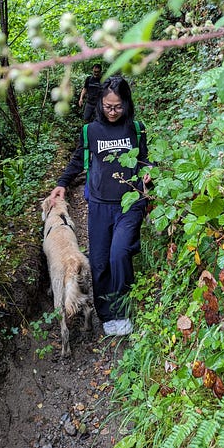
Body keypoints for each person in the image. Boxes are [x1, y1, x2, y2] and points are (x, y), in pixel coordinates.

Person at [49, 76, 152, 336]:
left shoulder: (136, 129)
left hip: (130, 202)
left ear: (126, 103)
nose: (113, 111)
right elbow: (77, 159)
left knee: (119, 253)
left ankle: (123, 311)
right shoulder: (91, 131)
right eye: (108, 106)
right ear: (101, 104)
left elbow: (145, 160)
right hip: (98, 205)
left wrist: (149, 172)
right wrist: (62, 183)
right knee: (100, 261)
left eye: (118, 106)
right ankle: (107, 315)